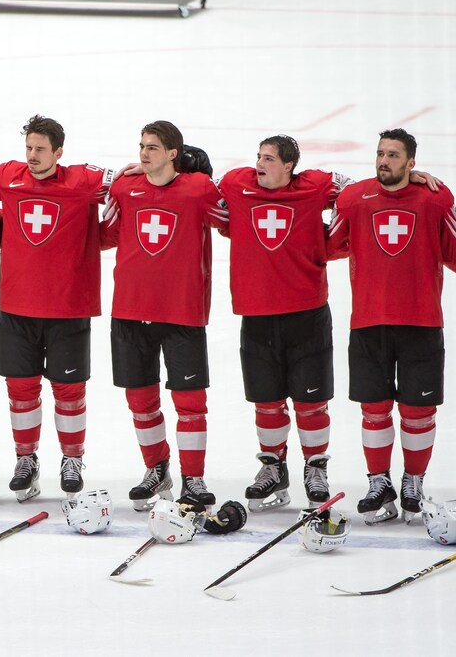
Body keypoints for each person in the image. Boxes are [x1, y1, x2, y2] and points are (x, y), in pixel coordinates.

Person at [217, 135, 437, 511]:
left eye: (269, 159)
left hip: (307, 312)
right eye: (258, 156)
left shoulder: (317, 185)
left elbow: (361, 191)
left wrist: (407, 179)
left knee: (311, 401)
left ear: (289, 166)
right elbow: (197, 190)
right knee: (267, 402)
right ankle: (272, 467)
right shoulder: (237, 184)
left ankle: (315, 468)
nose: (259, 164)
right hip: (255, 313)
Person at [0, 115, 112, 501]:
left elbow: (130, 186)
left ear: (59, 152)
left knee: (69, 389)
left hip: (69, 307)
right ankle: (26, 459)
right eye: (28, 148)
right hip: (17, 305)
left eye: (40, 149)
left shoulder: (83, 181)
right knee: (21, 388)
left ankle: (71, 459)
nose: (32, 156)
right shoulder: (7, 176)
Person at [327, 128, 456, 525]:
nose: (384, 161)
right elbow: (329, 246)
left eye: (394, 155)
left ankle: (413, 481)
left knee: (419, 410)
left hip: (421, 322)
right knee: (375, 410)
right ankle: (379, 482)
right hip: (368, 322)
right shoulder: (355, 198)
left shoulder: (436, 198)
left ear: (412, 163)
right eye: (380, 153)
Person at [101, 121, 227, 511]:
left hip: (182, 313)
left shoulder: (199, 190)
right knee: (141, 401)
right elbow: (105, 231)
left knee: (190, 402)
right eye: (141, 146)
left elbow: (232, 221)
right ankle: (157, 469)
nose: (143, 153)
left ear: (174, 154)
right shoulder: (124, 187)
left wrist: (205, 173)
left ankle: (194, 478)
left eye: (152, 147)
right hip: (129, 309)